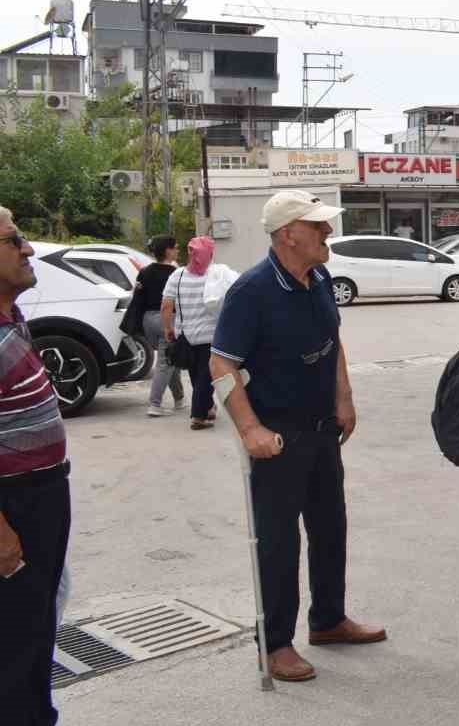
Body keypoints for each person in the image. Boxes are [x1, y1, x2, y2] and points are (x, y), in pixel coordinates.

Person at [209, 191, 386, 684]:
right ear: (289, 234)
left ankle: (328, 620)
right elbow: (221, 364)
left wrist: (344, 397)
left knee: (331, 529)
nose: (328, 233)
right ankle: (277, 644)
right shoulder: (252, 291)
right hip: (278, 436)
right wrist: (250, 429)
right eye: (318, 226)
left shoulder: (321, 278)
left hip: (322, 429)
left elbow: (334, 342)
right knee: (279, 542)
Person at [0, 206, 115, 726]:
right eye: (14, 238)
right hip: (10, 503)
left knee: (39, 623)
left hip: (44, 490)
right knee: (11, 635)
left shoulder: (11, 315)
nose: (27, 248)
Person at [162, 237, 222, 431]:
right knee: (206, 376)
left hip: (185, 336)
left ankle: (207, 407)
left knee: (199, 376)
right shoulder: (216, 276)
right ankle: (198, 415)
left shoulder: (176, 276)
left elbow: (166, 306)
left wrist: (168, 328)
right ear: (210, 254)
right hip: (211, 336)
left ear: (190, 253)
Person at [129, 235, 183, 418]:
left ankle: (179, 399)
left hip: (148, 321)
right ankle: (155, 404)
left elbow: (138, 298)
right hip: (167, 320)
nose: (178, 250)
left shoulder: (144, 272)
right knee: (165, 363)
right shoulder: (176, 273)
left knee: (170, 358)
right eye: (175, 247)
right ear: (167, 250)